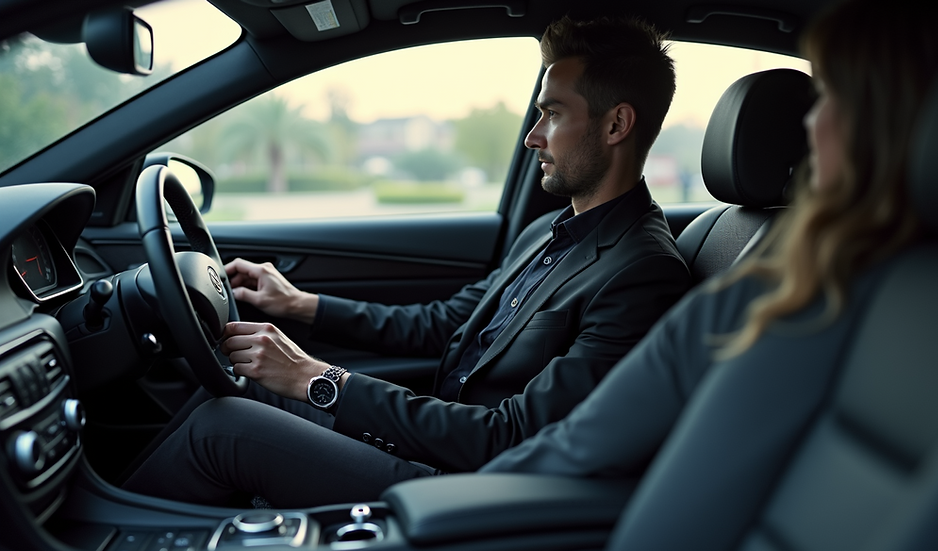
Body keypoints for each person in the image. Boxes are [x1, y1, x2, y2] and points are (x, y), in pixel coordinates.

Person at [122, 16, 692, 507]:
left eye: (553, 115)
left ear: (616, 125)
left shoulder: (641, 274)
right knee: (237, 386)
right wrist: (298, 305)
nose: (532, 137)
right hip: (438, 441)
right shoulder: (549, 229)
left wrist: (316, 378)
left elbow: (517, 436)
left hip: (472, 486)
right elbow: (444, 324)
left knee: (223, 429)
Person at [481, 0, 938, 479]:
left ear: (891, 123)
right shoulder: (799, 287)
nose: (808, 123)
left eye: (827, 97)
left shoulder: (766, 293)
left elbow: (571, 451)